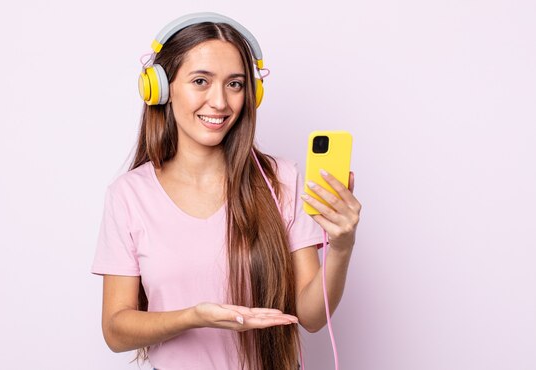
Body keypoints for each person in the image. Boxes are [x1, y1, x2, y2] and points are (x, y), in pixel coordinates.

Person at [91, 12, 361, 370]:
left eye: (235, 84)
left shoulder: (280, 179)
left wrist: (342, 247)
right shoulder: (129, 195)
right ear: (161, 88)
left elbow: (311, 317)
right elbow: (115, 330)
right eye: (201, 81)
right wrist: (194, 317)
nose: (220, 102)